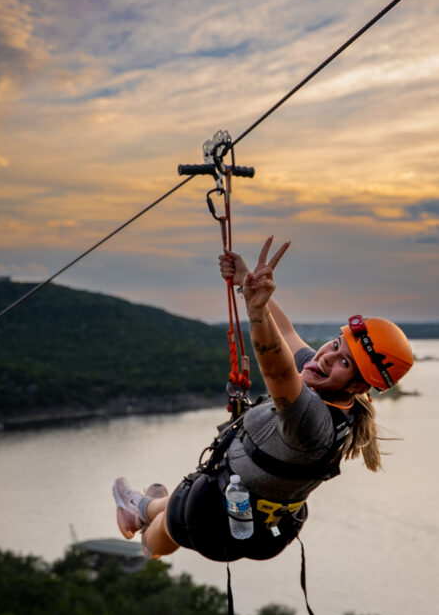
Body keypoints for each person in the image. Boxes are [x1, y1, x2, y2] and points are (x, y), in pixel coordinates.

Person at [112, 236, 414, 567]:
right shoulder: (339, 394)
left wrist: (256, 310)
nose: (327, 356)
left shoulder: (312, 421)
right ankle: (141, 506)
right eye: (335, 344)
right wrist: (247, 283)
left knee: (175, 514)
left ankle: (143, 530)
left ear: (358, 385)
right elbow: (286, 336)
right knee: (175, 501)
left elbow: (277, 371)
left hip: (211, 518)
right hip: (267, 527)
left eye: (344, 362)